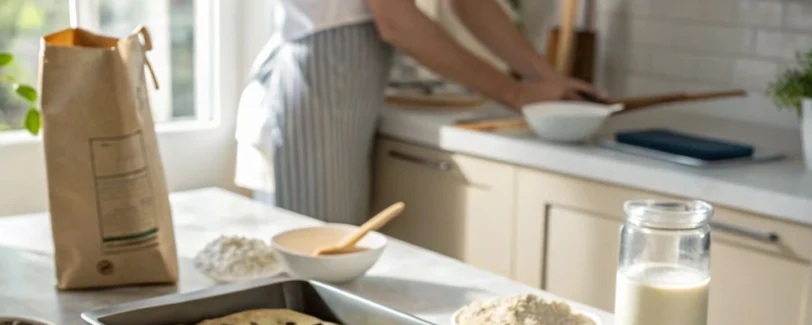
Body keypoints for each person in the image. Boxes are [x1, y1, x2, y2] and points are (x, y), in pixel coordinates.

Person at [235, 0, 605, 224]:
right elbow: (396, 20)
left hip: (342, 70)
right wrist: (516, 92)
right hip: (324, 68)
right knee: (320, 258)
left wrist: (548, 79)